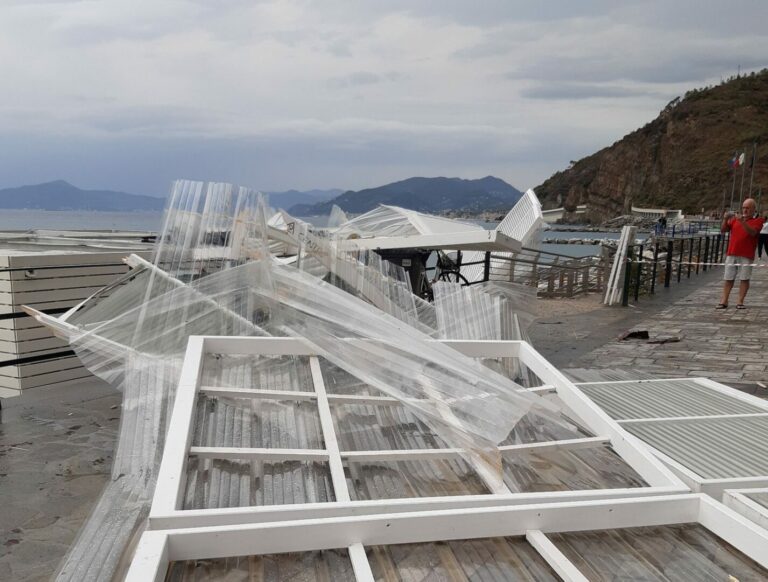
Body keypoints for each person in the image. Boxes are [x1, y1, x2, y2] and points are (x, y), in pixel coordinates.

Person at [717, 198, 765, 310]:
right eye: (743, 207)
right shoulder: (734, 219)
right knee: (728, 277)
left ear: (754, 209)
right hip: (732, 252)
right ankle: (724, 301)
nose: (745, 210)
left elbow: (753, 233)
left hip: (746, 255)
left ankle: (740, 301)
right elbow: (723, 230)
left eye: (748, 208)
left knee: (744, 278)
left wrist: (742, 221)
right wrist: (725, 219)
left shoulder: (758, 221)